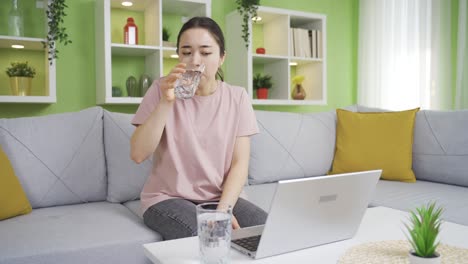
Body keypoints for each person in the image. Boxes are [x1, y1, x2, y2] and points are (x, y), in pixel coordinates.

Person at [130, 17, 267, 240]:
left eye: (205, 52)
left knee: (270, 232)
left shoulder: (238, 97)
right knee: (206, 235)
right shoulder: (160, 89)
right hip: (166, 198)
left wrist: (223, 211)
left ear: (222, 57)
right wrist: (166, 102)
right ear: (178, 56)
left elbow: (240, 163)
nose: (195, 60)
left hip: (220, 198)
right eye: (186, 52)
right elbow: (138, 154)